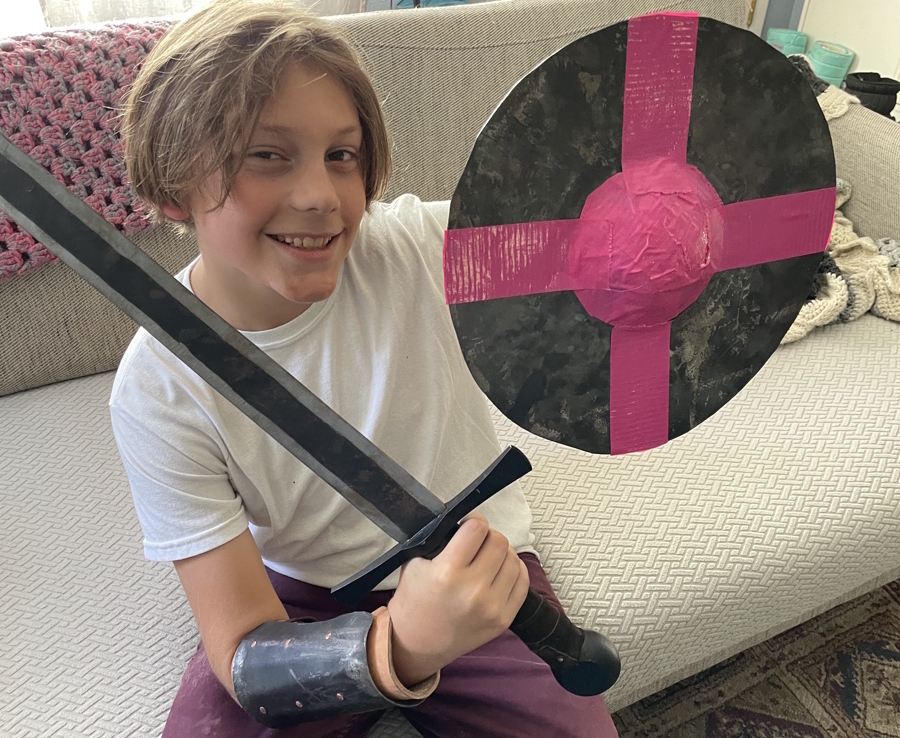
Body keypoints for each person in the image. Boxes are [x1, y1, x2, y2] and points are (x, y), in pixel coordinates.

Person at [110, 0, 618, 736]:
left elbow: (581, 235)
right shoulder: (158, 390)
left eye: (341, 155)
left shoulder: (414, 248)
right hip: (300, 594)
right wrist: (399, 648)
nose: (319, 196)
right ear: (172, 186)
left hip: (468, 564)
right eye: (267, 155)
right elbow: (243, 651)